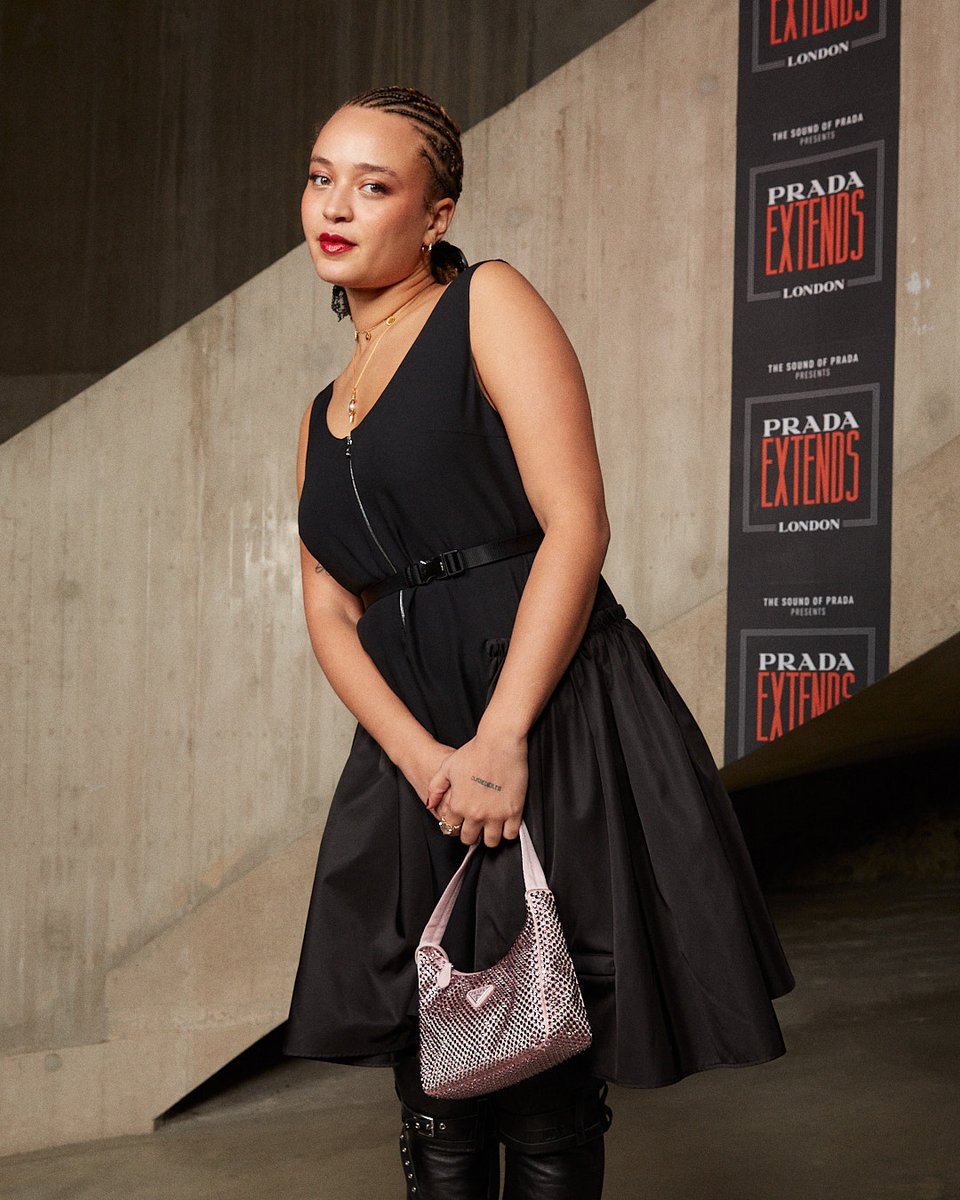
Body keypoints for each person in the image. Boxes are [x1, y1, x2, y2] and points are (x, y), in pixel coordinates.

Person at [282, 85, 794, 1199]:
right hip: (417, 746)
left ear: (436, 214)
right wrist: (427, 762)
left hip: (544, 708)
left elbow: (576, 524)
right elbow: (329, 609)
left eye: (375, 185)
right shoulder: (326, 408)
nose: (337, 204)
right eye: (323, 176)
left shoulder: (487, 302)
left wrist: (504, 736)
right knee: (435, 1079)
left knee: (541, 1057)